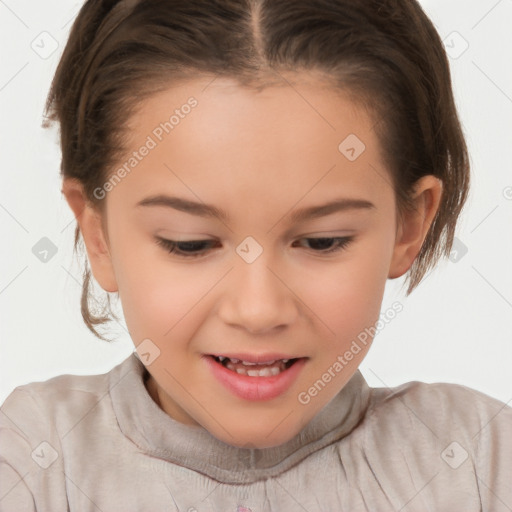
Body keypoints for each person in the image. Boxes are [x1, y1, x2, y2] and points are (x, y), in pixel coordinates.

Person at [1, 0, 510, 510]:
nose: (259, 309)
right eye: (189, 243)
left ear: (409, 225)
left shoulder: (479, 461)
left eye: (322, 241)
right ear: (100, 236)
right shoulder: (35, 464)